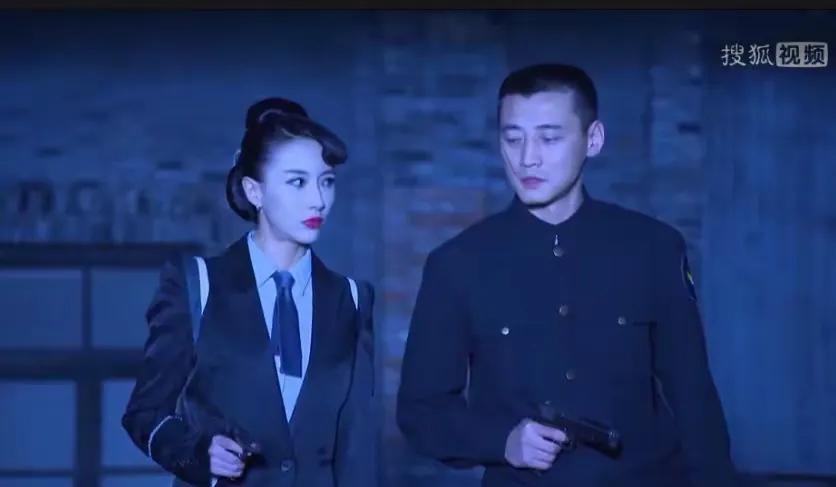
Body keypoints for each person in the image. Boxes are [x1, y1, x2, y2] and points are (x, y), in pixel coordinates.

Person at [396, 64, 740, 487]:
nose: (528, 158)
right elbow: (421, 409)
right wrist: (501, 442)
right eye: (513, 138)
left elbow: (693, 398)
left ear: (592, 139)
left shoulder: (652, 248)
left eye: (549, 137)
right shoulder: (457, 263)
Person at [122, 97, 378, 487]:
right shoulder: (198, 284)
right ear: (254, 191)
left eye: (326, 181)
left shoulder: (352, 299)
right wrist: (197, 453)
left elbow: (356, 449)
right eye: (297, 182)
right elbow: (145, 413)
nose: (318, 200)